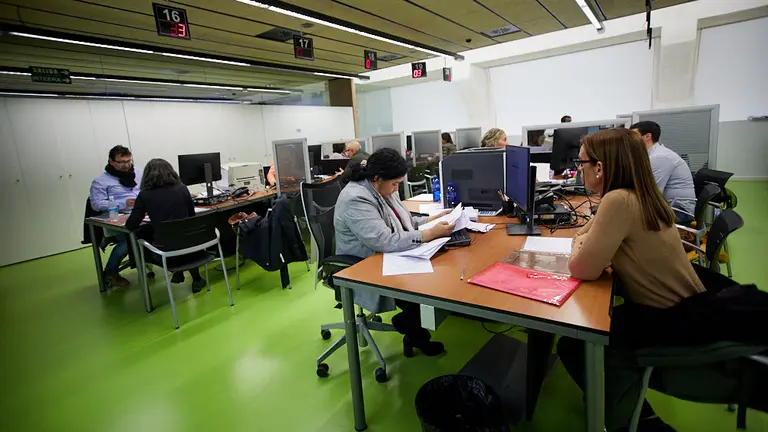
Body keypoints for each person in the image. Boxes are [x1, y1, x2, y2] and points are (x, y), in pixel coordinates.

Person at [557, 128, 705, 431]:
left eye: (582, 163)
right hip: (690, 308)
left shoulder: (619, 202)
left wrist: (578, 246)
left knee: (575, 343)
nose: (578, 170)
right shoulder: (639, 193)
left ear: (599, 168)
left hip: (671, 323)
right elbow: (586, 232)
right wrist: (585, 239)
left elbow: (581, 268)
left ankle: (630, 419)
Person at [335, 148, 454, 356]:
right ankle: (413, 331)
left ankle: (411, 326)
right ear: (376, 178)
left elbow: (403, 220)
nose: (396, 189)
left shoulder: (381, 188)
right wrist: (429, 235)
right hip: (362, 262)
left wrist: (432, 220)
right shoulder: (356, 199)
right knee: (416, 285)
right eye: (395, 184)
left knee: (436, 271)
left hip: (386, 254)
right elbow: (384, 240)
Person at [125, 159, 207, 293]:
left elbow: (132, 224)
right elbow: (191, 216)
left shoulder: (144, 195)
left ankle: (176, 272)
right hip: (193, 246)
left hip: (166, 252)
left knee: (144, 238)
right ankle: (196, 279)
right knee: (182, 237)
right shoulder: (182, 188)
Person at [89, 145, 142, 287]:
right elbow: (96, 204)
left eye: (129, 161)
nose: (127, 165)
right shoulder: (101, 181)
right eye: (122, 162)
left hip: (140, 213)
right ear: (111, 162)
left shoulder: (138, 172)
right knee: (130, 239)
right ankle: (110, 273)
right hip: (116, 218)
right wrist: (123, 203)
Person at [630, 121, 696, 224]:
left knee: (628, 219)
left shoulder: (660, 157)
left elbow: (650, 193)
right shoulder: (653, 155)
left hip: (680, 211)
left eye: (633, 136)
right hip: (670, 206)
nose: (629, 140)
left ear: (647, 136)